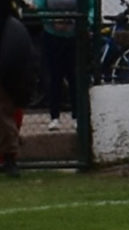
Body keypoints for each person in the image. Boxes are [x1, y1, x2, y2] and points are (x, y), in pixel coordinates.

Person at [33, 0, 86, 132]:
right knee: (54, 78)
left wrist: (81, 22)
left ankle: (77, 116)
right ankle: (54, 117)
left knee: (75, 78)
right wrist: (52, 21)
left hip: (75, 37)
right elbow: (39, 7)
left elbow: (90, 7)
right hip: (52, 36)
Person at [1, 0, 32, 176]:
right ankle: (9, 156)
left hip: (7, 77)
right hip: (10, 75)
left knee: (4, 115)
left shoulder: (9, 25)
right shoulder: (12, 23)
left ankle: (10, 158)